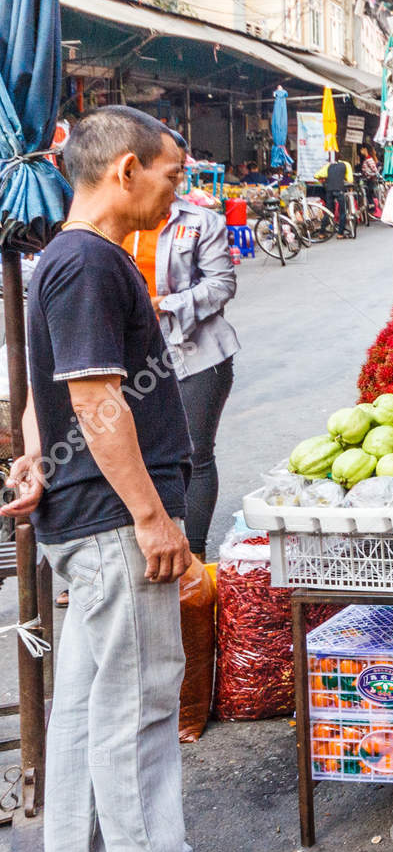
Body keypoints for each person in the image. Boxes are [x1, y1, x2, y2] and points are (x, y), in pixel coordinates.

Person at [2, 106, 249, 852]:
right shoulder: (90, 263)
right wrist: (152, 515)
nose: (177, 194)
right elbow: (98, 398)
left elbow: (52, 388)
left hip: (84, 512)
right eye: (172, 175)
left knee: (83, 690)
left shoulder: (64, 261)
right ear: (126, 171)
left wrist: (36, 456)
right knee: (140, 691)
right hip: (112, 519)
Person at [121, 134, 239, 559]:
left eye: (179, 172)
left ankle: (195, 557)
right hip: (128, 356)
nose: (177, 180)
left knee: (194, 454)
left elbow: (222, 285)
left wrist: (164, 305)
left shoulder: (200, 221)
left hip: (196, 352)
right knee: (127, 451)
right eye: (170, 171)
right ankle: (128, 551)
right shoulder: (117, 221)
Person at [315, 153, 354, 236]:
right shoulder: (346, 164)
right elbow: (350, 180)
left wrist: (323, 179)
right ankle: (340, 234)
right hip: (339, 189)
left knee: (328, 211)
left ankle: (321, 232)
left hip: (329, 190)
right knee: (342, 211)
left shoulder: (329, 165)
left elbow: (316, 175)